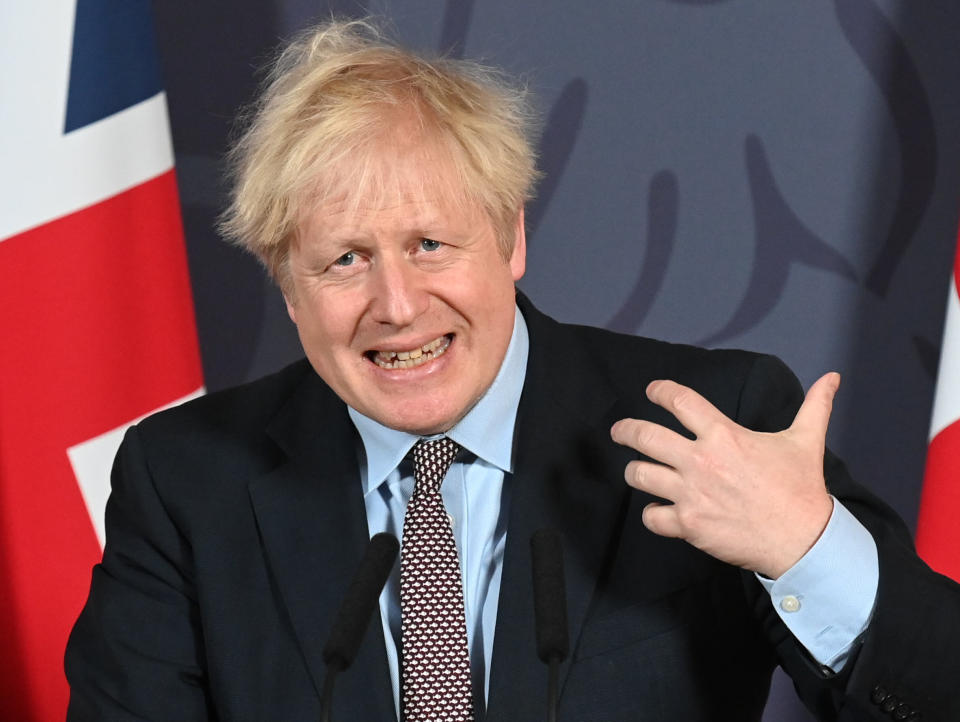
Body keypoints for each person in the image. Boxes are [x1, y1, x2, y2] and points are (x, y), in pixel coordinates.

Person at [65, 17, 959, 721]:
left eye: (429, 243)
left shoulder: (710, 422)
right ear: (287, 291)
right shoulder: (187, 482)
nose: (398, 304)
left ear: (511, 237)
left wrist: (805, 549)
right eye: (343, 260)